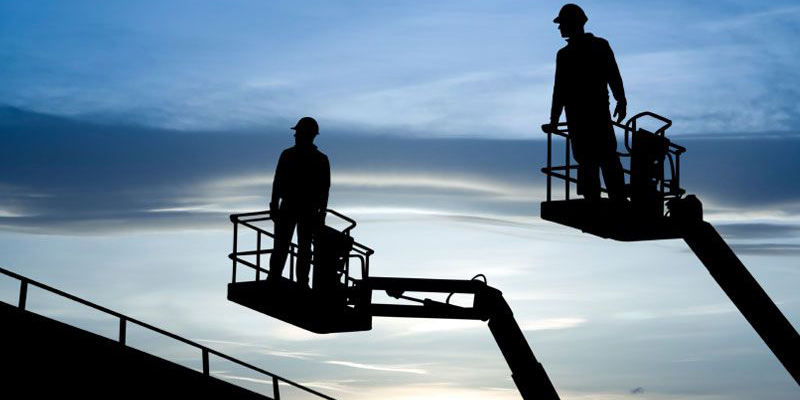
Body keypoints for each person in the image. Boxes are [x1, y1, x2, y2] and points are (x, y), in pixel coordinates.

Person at [543, 4, 626, 202]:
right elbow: (560, 90)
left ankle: (609, 198)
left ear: (573, 23)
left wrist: (621, 100)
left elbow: (612, 75)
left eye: (562, 23)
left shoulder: (592, 48)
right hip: (586, 116)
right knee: (595, 158)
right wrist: (620, 100)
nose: (559, 27)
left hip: (590, 116)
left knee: (600, 157)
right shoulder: (570, 53)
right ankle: (606, 198)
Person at [268, 117, 330, 287]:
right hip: (301, 209)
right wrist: (321, 214)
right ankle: (296, 281)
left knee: (292, 246)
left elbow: (324, 189)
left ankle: (282, 279)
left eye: (298, 132)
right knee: (296, 247)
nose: (295, 136)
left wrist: (274, 206)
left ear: (307, 135)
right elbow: (277, 182)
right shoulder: (318, 159)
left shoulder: (291, 155)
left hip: (299, 208)